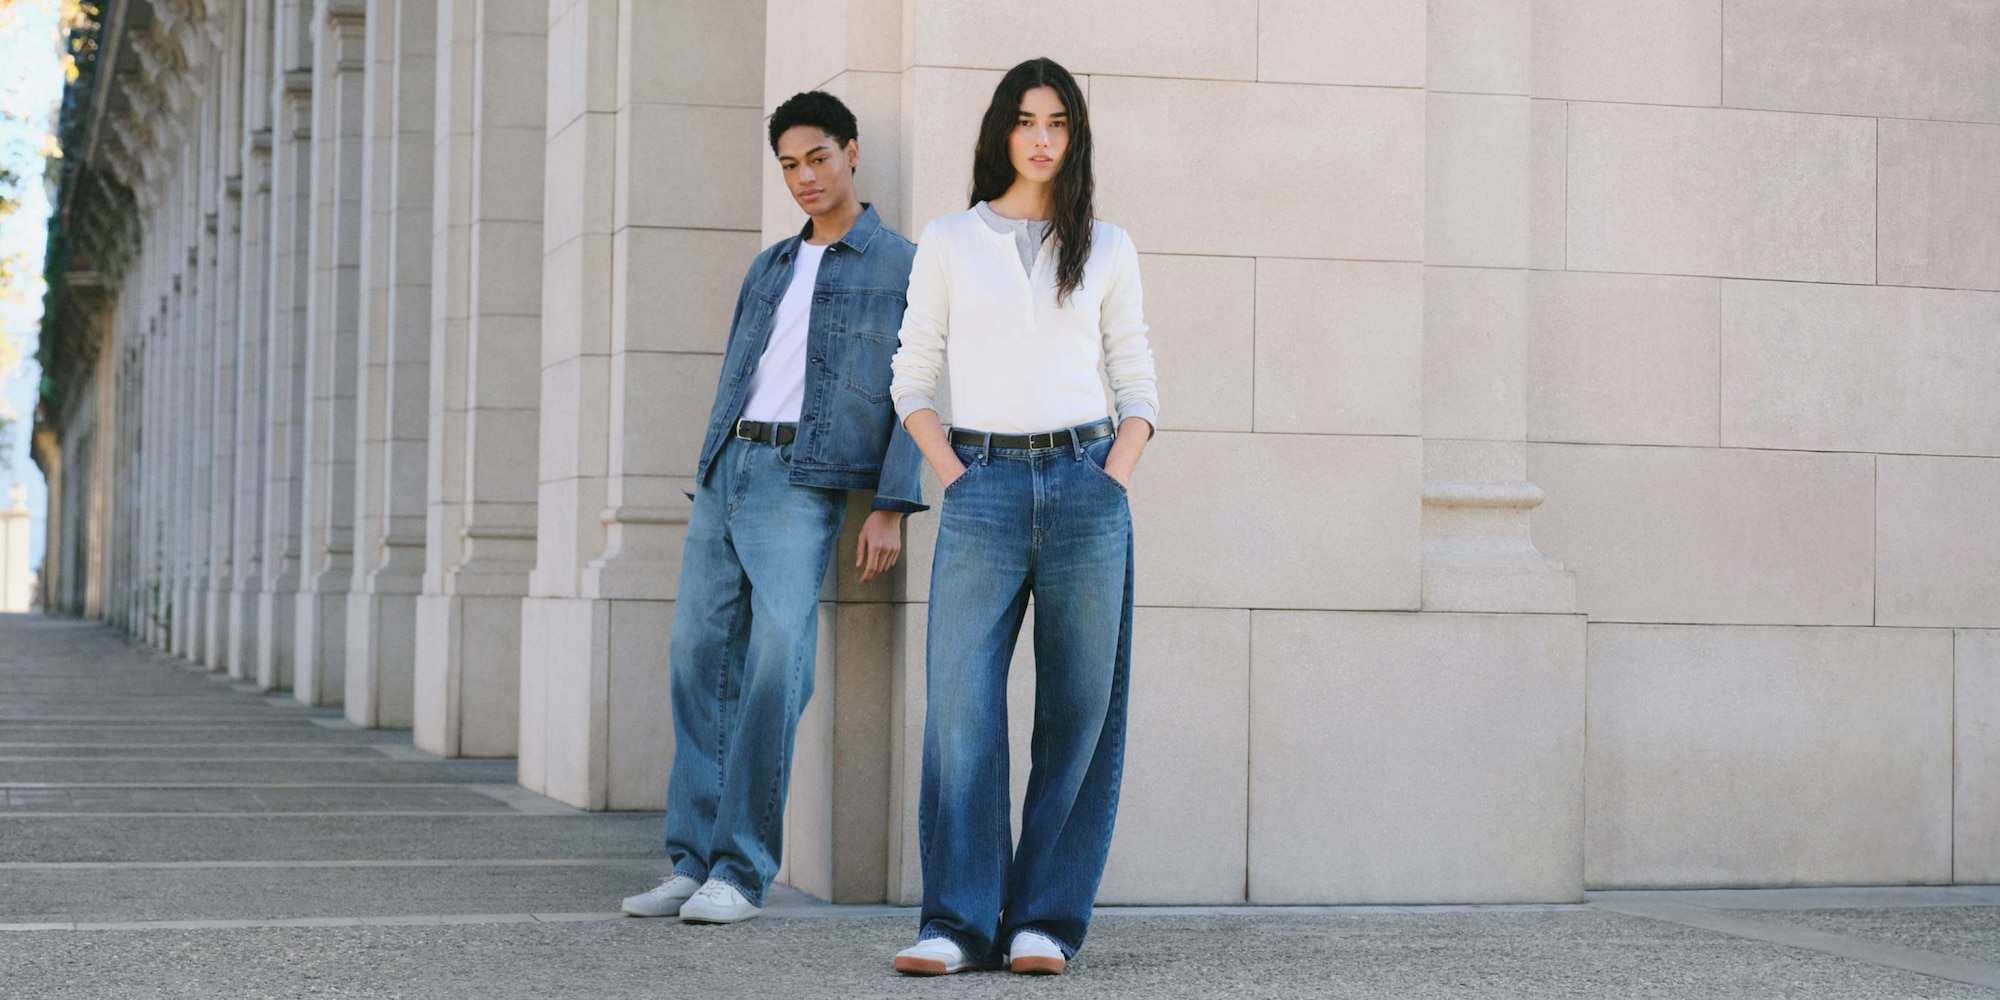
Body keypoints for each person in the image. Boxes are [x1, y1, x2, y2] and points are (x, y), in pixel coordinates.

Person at [620, 91, 925, 925]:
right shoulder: (770, 267)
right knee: (695, 657)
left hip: (803, 475)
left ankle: (742, 869)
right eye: (788, 165)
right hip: (728, 470)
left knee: (777, 662)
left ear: (851, 152)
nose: (804, 178)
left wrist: (893, 502)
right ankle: (691, 861)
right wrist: (712, 468)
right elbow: (739, 372)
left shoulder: (901, 264)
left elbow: (922, 386)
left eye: (817, 158)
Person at [887, 57, 1158, 976]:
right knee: (961, 709)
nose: (1041, 138)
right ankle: (956, 923)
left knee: (1080, 712)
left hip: (1088, 484)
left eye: (1058, 123)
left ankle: (1044, 919)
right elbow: (910, 374)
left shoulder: (1108, 245)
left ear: (1073, 138)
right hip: (984, 488)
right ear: (1001, 130)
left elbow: (1140, 382)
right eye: (1026, 120)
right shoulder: (950, 239)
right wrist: (955, 475)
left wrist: (1111, 477)